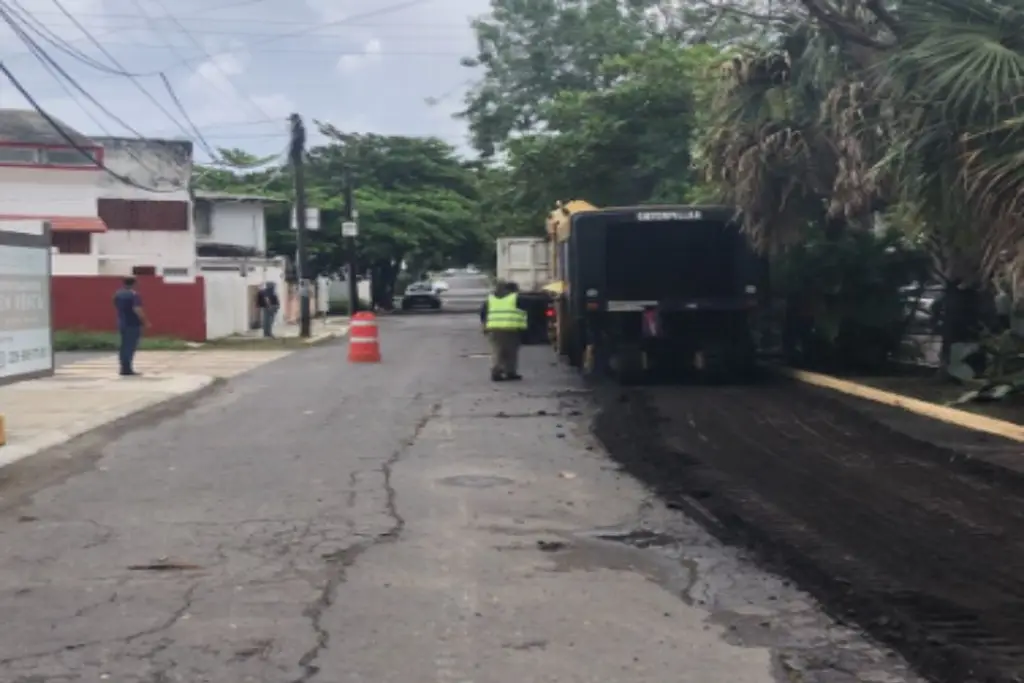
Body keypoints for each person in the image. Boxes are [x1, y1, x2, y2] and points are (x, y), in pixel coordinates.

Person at [480, 280, 528, 381]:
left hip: (494, 328)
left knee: (498, 350)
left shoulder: (490, 299)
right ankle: (506, 372)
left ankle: (500, 371)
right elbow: (528, 307)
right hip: (511, 327)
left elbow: (483, 313)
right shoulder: (515, 298)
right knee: (511, 351)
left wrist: (484, 326)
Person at [113, 277, 148, 377]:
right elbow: (137, 309)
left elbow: (116, 305)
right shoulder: (134, 295)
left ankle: (123, 367)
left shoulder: (118, 294)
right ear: (134, 284)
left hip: (122, 322)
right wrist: (145, 321)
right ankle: (127, 369)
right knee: (130, 346)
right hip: (133, 323)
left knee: (123, 346)